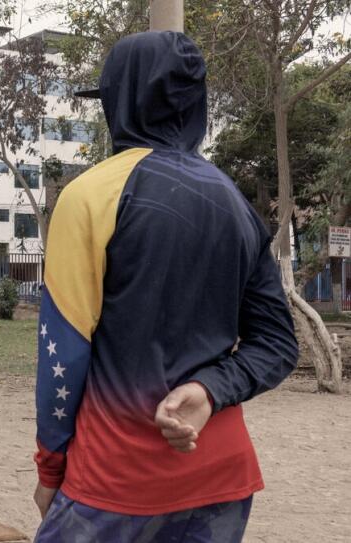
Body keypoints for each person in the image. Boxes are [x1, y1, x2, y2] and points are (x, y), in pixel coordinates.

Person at [32, 32, 298, 541]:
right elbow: (277, 344)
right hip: (221, 481)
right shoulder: (235, 203)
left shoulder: (89, 195)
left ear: (120, 101)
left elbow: (63, 355)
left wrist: (49, 471)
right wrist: (208, 389)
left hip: (115, 482)